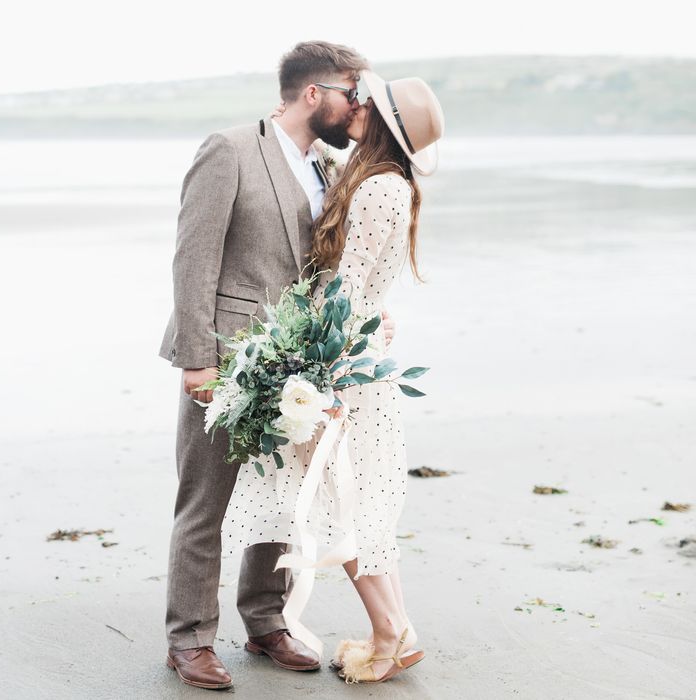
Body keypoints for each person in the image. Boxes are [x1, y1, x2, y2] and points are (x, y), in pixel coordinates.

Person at [157, 41, 398, 690]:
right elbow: (193, 259)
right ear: (313, 94)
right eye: (353, 93)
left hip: (299, 366)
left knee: (281, 499)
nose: (360, 106)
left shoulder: (325, 163)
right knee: (204, 503)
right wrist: (195, 360)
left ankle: (264, 622)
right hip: (228, 358)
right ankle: (189, 641)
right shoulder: (230, 150)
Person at [223, 69, 445, 684]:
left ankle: (389, 632)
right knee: (359, 502)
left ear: (375, 119)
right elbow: (364, 281)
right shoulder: (375, 180)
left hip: (345, 366)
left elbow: (345, 289)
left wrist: (320, 375)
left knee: (342, 502)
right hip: (358, 355)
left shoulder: (377, 188)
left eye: (364, 100)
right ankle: (397, 628)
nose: (355, 103)